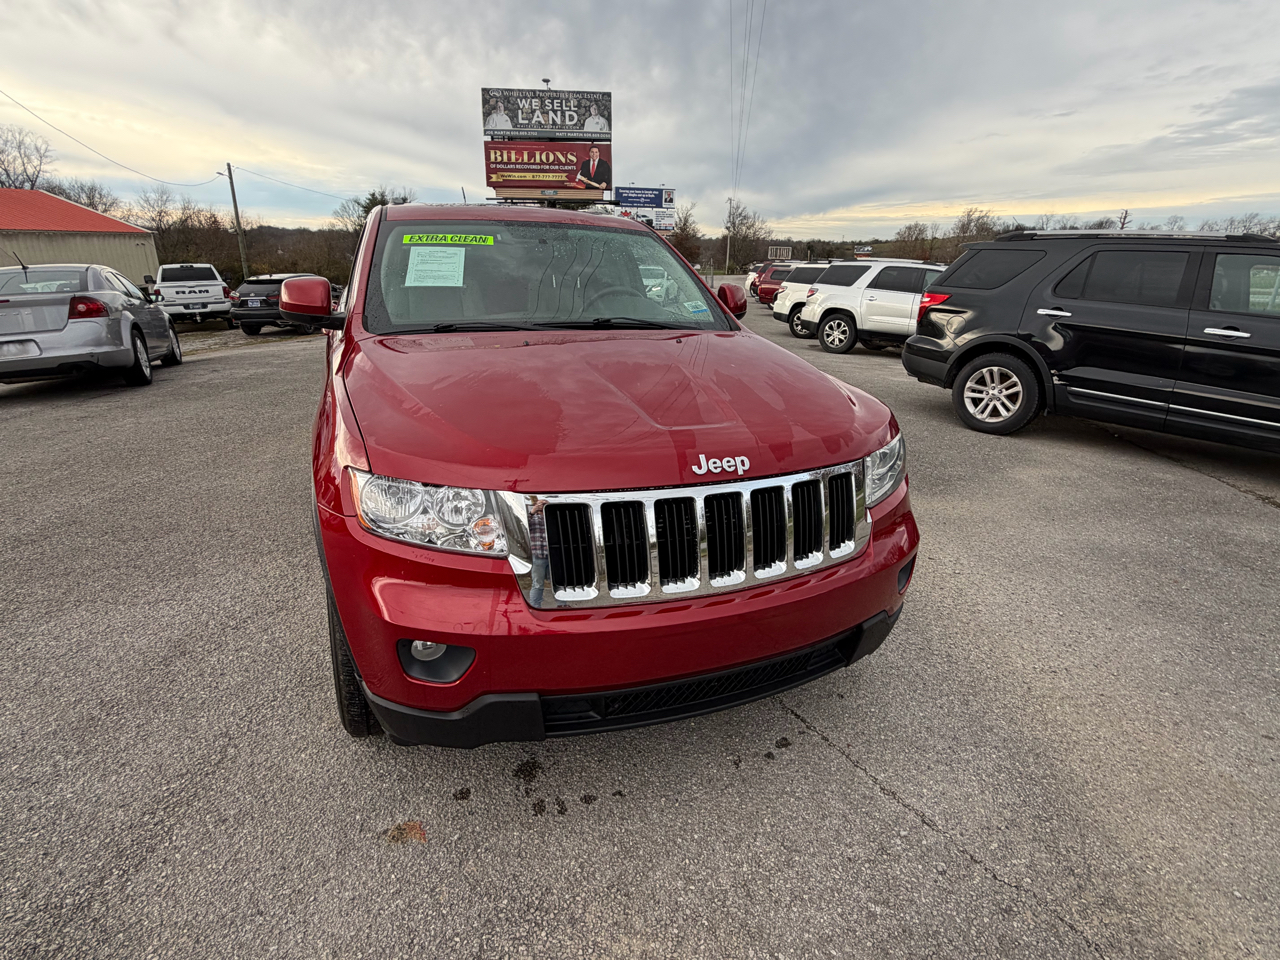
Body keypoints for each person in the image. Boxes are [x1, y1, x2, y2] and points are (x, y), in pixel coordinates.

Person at [527, 498, 550, 608]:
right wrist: (533, 510)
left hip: (553, 556)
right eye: (540, 504)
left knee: (558, 582)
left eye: (545, 504)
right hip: (538, 555)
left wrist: (550, 509)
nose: (542, 506)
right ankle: (535, 606)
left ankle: (562, 605)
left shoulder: (552, 518)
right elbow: (523, 525)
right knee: (537, 583)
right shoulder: (532, 518)